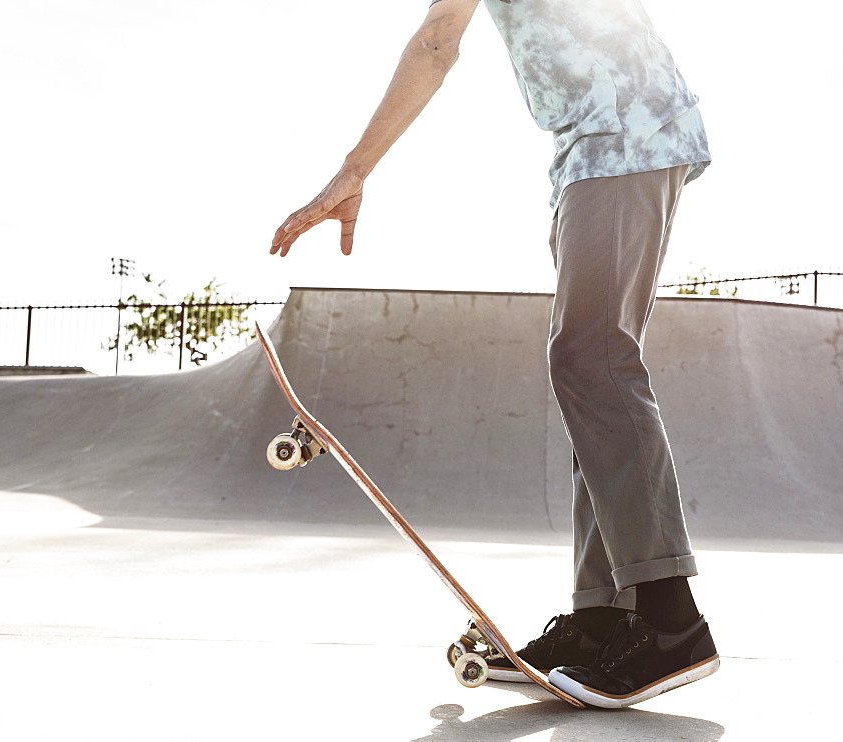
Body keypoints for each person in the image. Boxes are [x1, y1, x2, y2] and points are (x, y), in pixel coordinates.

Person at [270, 0, 719, 708]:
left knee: (592, 358)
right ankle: (601, 620)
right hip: (593, 148)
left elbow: (437, 42)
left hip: (629, 132)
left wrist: (353, 169)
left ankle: (670, 621)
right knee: (588, 375)